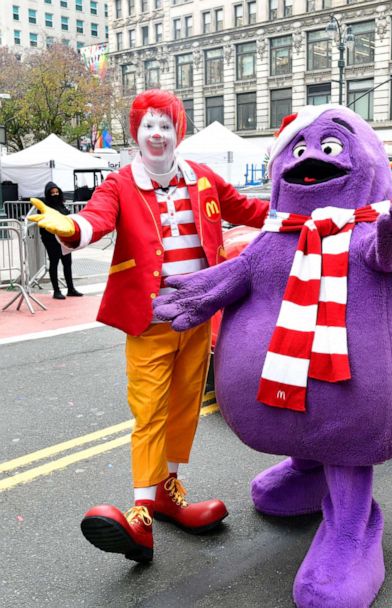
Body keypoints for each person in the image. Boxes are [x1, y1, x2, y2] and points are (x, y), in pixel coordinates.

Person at [28, 89, 269, 563]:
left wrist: (307, 208)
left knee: (184, 407)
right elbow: (97, 220)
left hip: (197, 314)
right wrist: (72, 228)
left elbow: (250, 210)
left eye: (165, 125)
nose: (156, 134)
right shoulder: (120, 184)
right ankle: (141, 511)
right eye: (148, 126)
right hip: (151, 320)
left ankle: (167, 490)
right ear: (136, 133)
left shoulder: (203, 179)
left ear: (178, 131)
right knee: (150, 410)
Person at [38, 182, 83, 299]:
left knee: (67, 263)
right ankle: (56, 290)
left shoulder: (62, 205)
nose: (55, 194)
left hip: (64, 240)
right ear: (48, 194)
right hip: (51, 240)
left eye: (57, 192)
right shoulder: (44, 207)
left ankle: (71, 288)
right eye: (52, 193)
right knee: (54, 263)